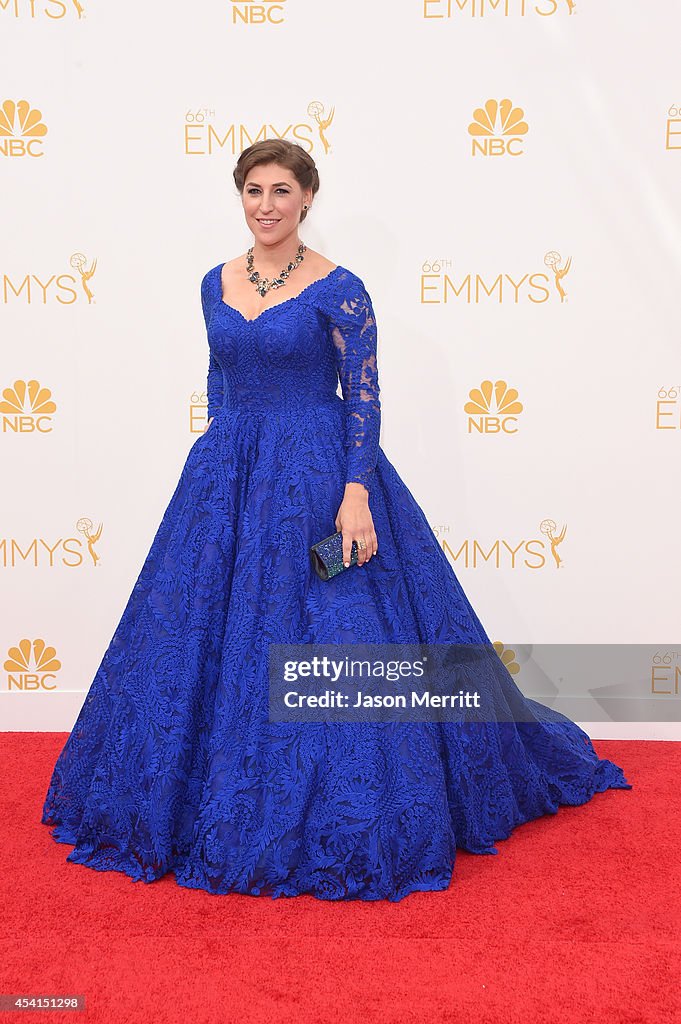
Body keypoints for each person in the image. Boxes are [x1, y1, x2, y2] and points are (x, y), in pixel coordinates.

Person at [41, 139, 631, 902]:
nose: (265, 205)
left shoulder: (341, 289)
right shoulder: (211, 282)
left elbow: (364, 397)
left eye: (281, 190)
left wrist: (354, 492)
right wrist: (215, 464)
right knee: (202, 640)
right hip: (227, 475)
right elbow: (219, 382)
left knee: (340, 628)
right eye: (253, 190)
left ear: (308, 198)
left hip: (320, 472)